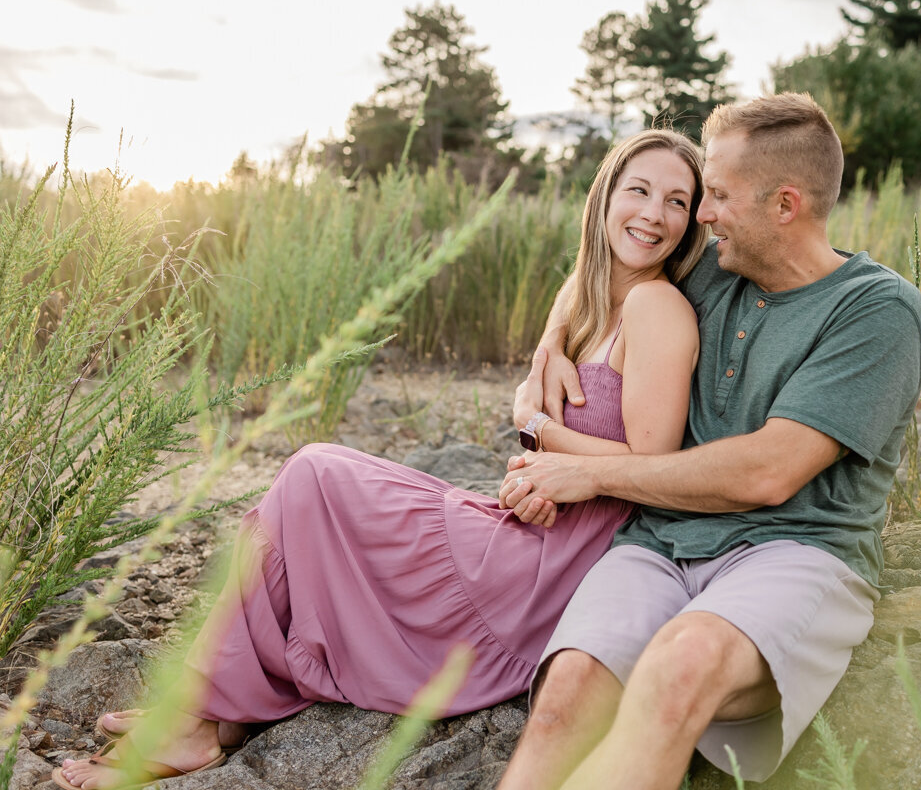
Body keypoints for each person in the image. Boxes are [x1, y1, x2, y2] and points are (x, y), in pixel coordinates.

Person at [53, 129, 707, 790]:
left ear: (691, 223)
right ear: (604, 198)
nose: (654, 213)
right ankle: (205, 702)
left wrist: (535, 423)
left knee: (315, 475)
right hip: (529, 519)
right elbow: (548, 381)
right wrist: (544, 378)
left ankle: (196, 715)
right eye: (640, 190)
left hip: (555, 567)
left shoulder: (657, 306)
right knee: (308, 488)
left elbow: (648, 463)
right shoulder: (585, 296)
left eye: (677, 201)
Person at [495, 92, 921, 789]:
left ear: (784, 205)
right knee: (564, 699)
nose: (701, 214)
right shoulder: (713, 268)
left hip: (796, 550)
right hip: (660, 546)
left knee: (677, 671)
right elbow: (603, 262)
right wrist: (548, 349)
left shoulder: (876, 311)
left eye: (718, 194)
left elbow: (769, 473)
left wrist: (596, 475)